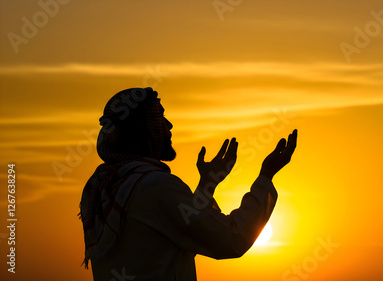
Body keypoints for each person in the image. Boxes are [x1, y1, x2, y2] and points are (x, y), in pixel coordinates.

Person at [79, 87, 298, 281]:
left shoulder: (98, 188)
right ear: (145, 128)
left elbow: (178, 236)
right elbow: (230, 238)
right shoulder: (155, 186)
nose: (169, 125)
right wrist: (266, 177)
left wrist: (207, 184)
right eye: (160, 117)